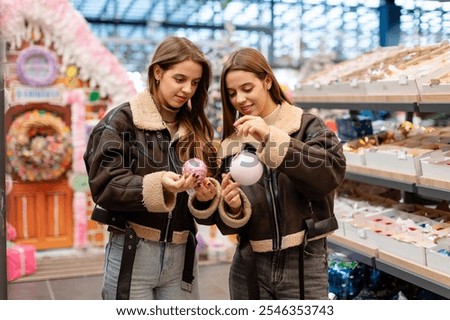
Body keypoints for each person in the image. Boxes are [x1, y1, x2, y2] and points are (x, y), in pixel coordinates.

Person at [83, 36, 221, 300]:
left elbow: (203, 206)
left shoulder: (197, 130)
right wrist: (159, 185)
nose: (187, 90)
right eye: (179, 79)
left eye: (194, 83)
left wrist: (205, 198)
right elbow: (105, 184)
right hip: (133, 252)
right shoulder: (121, 122)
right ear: (158, 72)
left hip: (182, 257)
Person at [215, 47, 347, 300]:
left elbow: (329, 176)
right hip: (249, 264)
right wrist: (230, 206)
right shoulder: (231, 143)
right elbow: (225, 223)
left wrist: (269, 137)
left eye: (247, 88)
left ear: (267, 81)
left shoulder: (305, 126)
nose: (239, 99)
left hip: (304, 260)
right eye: (231, 93)